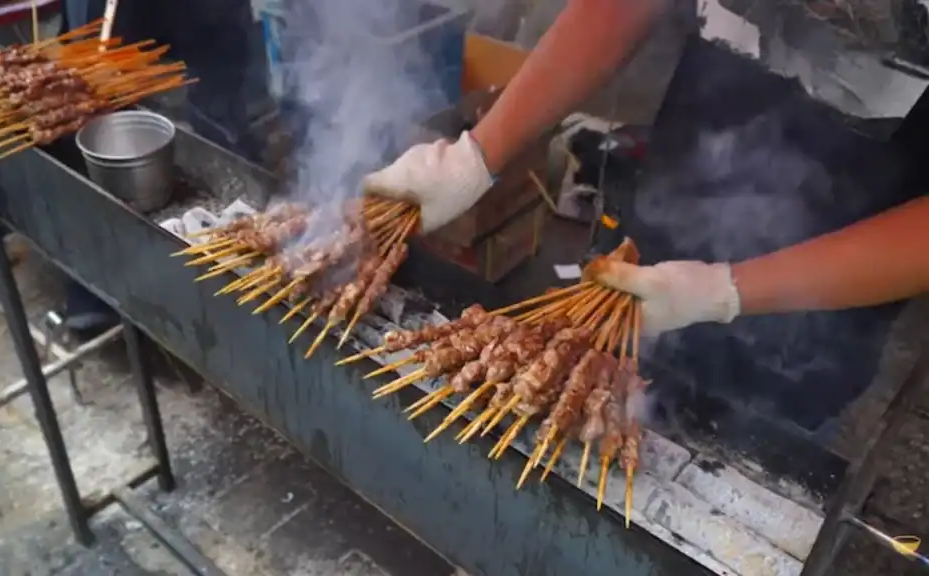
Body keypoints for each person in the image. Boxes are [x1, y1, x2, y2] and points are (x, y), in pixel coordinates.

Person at [364, 0, 929, 433]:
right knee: (612, 378)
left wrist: (722, 292)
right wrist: (473, 158)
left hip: (842, 266)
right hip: (700, 139)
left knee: (762, 429)